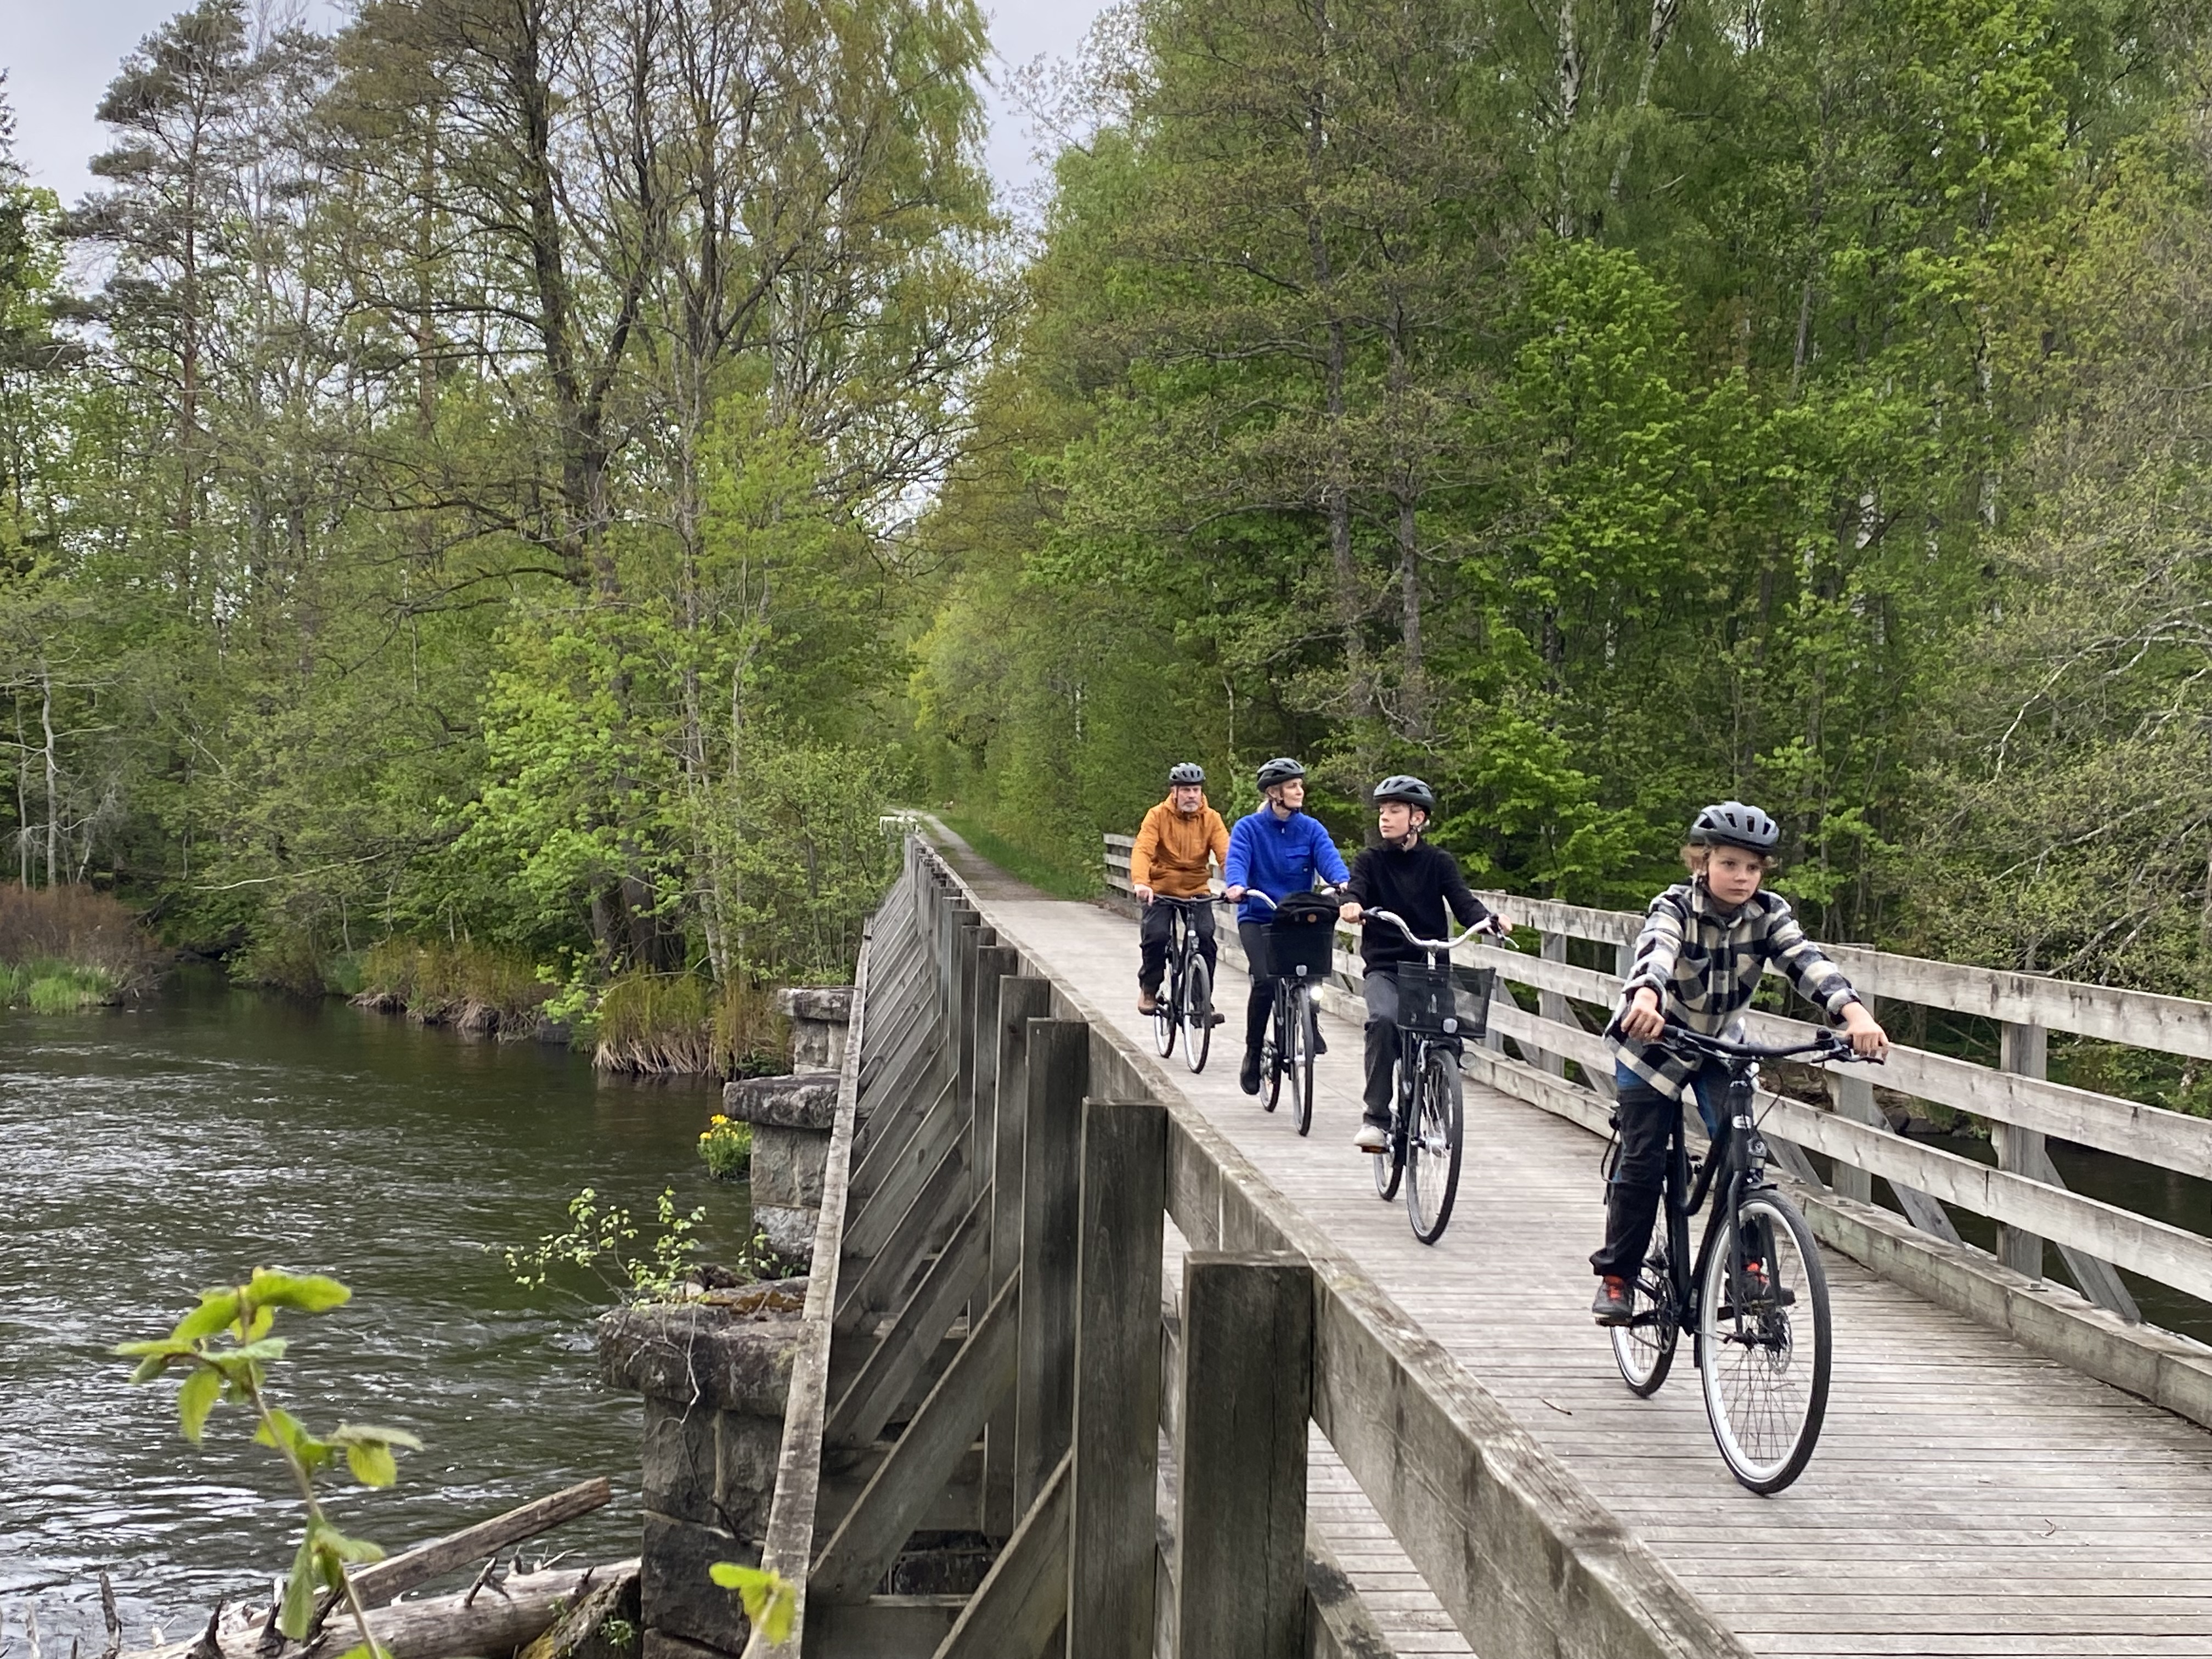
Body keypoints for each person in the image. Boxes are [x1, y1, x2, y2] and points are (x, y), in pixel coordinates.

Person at [1590, 800, 1889, 1325]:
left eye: (1753, 867)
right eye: (1729, 864)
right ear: (1701, 862)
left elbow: (1806, 961)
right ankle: (1619, 1277)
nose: (1742, 877)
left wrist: (1856, 1014)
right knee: (1643, 1159)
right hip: (1653, 1039)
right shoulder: (1675, 906)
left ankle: (1749, 1269)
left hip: (1721, 1048)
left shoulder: (1770, 914)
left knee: (1743, 1155)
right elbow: (1657, 951)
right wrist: (1646, 998)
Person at [1336, 776, 1507, 1153]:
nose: (1385, 818)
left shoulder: (1438, 862)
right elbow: (1356, 888)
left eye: (1395, 810)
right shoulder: (1370, 860)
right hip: (1385, 967)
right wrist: (1351, 904)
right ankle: (1376, 1119)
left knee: (1447, 1034)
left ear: (1418, 818)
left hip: (1430, 967)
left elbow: (1463, 902)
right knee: (1383, 1021)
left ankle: (1436, 1110)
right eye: (1382, 811)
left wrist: (1488, 920)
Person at [1223, 757, 1350, 1095]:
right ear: (1274, 793)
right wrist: (1236, 886)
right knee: (1265, 980)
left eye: (1300, 785)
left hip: (1295, 916)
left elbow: (1330, 859)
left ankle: (1310, 1017)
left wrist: (1342, 882)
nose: (1300, 791)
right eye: (1293, 786)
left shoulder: (1311, 828)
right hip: (1259, 916)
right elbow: (1236, 861)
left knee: (1313, 967)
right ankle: (1253, 1053)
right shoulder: (1249, 828)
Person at [1131, 762, 1230, 1015]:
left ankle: (1199, 1000)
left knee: (1205, 938)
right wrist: (1141, 881)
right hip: (1161, 888)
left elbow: (1226, 854)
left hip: (1196, 888)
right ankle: (1150, 988)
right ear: (1174, 792)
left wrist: (1236, 883)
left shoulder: (1211, 818)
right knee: (1156, 936)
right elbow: (1143, 849)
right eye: (1186, 790)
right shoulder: (1157, 816)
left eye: (1196, 790)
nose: (1192, 796)